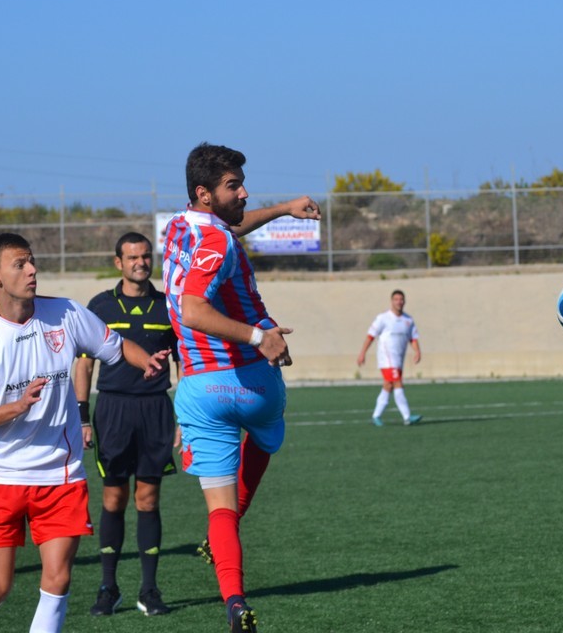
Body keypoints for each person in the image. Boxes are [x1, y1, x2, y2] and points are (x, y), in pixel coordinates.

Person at [0, 233, 169, 633]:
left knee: (58, 582)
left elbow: (116, 345)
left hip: (61, 475)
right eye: (20, 265)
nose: (32, 270)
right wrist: (15, 408)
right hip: (0, 477)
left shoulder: (65, 313)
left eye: (32, 261)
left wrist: (146, 361)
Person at [163, 142, 320, 633]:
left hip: (199, 392)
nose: (245, 192)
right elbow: (194, 308)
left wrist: (284, 209)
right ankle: (229, 529)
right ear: (205, 193)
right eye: (234, 186)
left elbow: (230, 228)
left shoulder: (179, 227)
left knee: (220, 510)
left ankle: (234, 600)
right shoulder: (219, 242)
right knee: (267, 433)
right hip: (252, 383)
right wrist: (261, 337)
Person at [73, 232, 179, 617]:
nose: (140, 263)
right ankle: (108, 587)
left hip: (155, 410)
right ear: (118, 262)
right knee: (113, 499)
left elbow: (183, 365)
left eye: (145, 256)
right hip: (113, 410)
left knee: (148, 499)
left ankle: (149, 590)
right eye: (132, 257)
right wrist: (83, 418)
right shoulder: (100, 306)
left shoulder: (168, 306)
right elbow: (84, 365)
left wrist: (184, 418)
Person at [356, 289, 423, 426]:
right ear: (391, 301)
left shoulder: (408, 320)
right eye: (396, 299)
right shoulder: (383, 318)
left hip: (398, 359)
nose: (399, 302)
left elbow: (413, 338)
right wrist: (363, 353)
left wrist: (417, 351)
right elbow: (370, 336)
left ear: (404, 301)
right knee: (397, 383)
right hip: (386, 358)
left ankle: (376, 416)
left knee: (388, 385)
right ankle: (407, 417)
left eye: (401, 299)